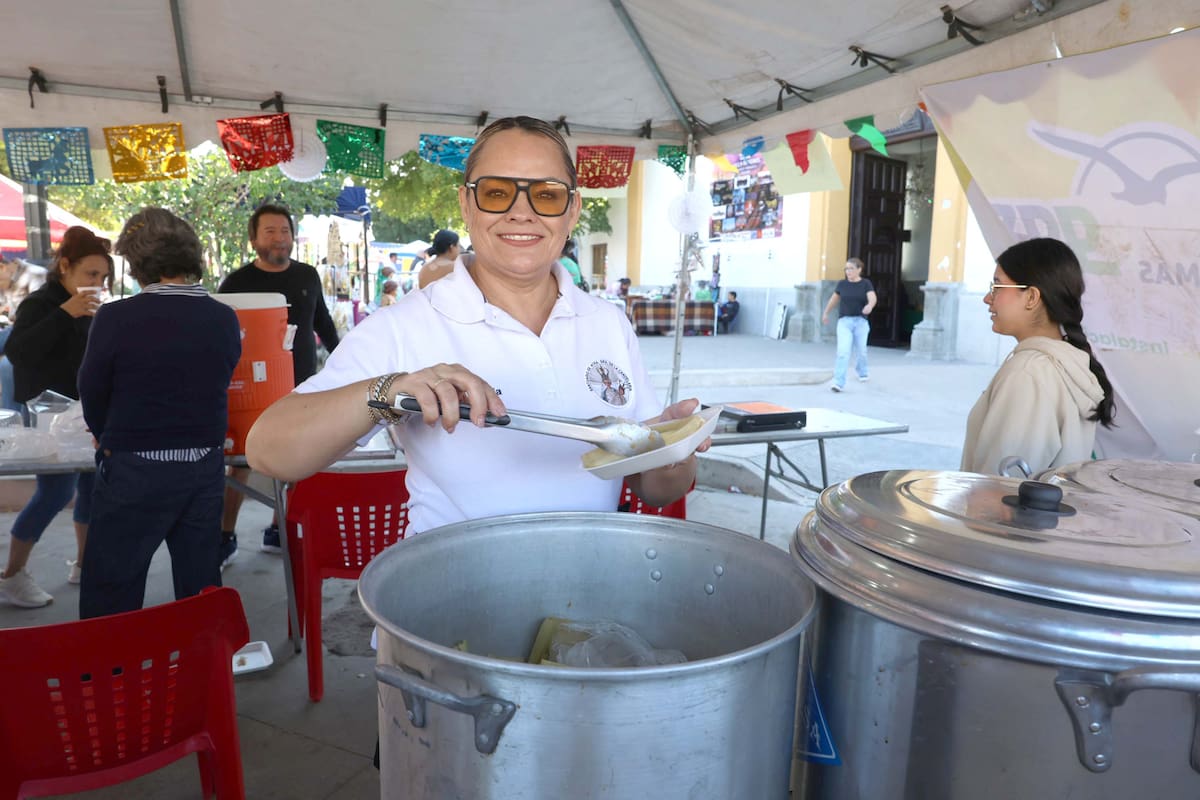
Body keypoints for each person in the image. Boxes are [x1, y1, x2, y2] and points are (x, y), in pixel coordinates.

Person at [246, 115, 704, 537]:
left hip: (580, 600)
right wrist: (388, 392)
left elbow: (656, 488)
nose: (521, 212)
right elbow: (269, 451)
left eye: (546, 194)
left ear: (573, 209)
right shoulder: (406, 326)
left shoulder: (608, 323)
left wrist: (672, 453)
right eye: (497, 192)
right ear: (467, 204)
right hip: (448, 609)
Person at [77, 208, 241, 618]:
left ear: (135, 262)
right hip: (203, 467)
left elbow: (91, 387)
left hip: (134, 466)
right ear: (190, 256)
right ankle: (204, 673)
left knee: (112, 591)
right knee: (200, 584)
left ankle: (112, 674)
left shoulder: (115, 317)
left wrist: (105, 433)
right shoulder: (223, 318)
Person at [218, 203, 340, 560]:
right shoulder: (236, 283)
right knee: (242, 462)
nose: (279, 238)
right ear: (254, 239)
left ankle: (278, 529)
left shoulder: (307, 275)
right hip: (250, 392)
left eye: (285, 231)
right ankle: (225, 536)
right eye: (270, 231)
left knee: (297, 460)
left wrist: (347, 358)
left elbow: (324, 325)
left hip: (301, 384)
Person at [0, 227, 110, 607]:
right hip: (47, 415)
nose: (97, 283)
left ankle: (85, 562)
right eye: (91, 275)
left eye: (102, 278)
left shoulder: (89, 308)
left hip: (83, 412)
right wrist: (65, 313)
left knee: (91, 487)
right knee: (55, 491)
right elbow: (17, 351)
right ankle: (12, 574)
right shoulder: (43, 304)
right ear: (65, 266)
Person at [960, 237, 1114, 475]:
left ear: (1031, 297)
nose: (987, 298)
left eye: (997, 287)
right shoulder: (1063, 361)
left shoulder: (1028, 372)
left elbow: (999, 487)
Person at [822, 258, 876, 392]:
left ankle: (862, 371)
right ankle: (838, 382)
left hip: (861, 322)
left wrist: (870, 306)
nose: (848, 271)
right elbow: (834, 299)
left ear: (859, 269)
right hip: (844, 322)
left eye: (851, 268)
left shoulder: (866, 284)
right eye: (846, 269)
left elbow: (872, 297)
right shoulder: (842, 284)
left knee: (861, 351)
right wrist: (826, 313)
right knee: (843, 352)